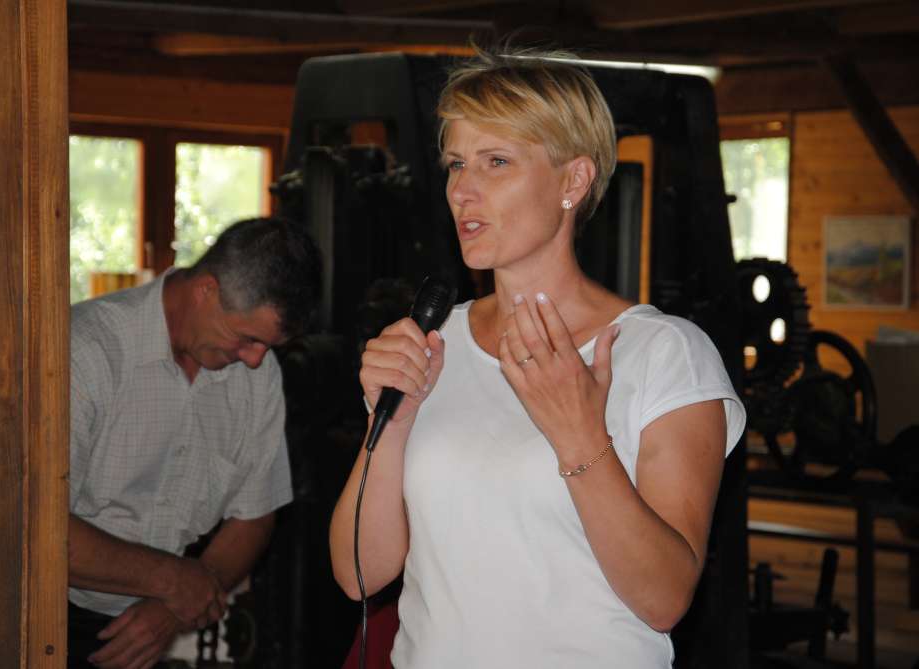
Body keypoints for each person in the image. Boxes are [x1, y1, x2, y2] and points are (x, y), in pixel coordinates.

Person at [330, 47, 746, 668]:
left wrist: (579, 436)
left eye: (495, 162)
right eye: (455, 164)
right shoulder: (433, 343)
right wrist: (390, 424)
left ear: (573, 182)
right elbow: (359, 575)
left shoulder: (664, 355)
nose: (462, 190)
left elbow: (664, 600)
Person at [68, 217, 321, 669]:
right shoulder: (87, 350)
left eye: (268, 346)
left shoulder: (257, 375)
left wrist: (175, 605)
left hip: (156, 621)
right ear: (206, 290)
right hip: (44, 612)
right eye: (247, 338)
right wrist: (174, 581)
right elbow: (36, 528)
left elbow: (254, 514)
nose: (256, 360)